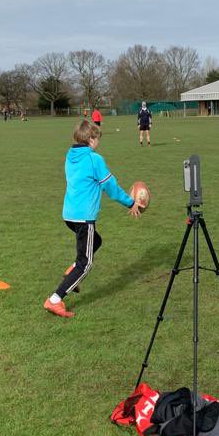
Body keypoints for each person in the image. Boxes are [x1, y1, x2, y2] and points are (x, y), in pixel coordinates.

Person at [44, 118, 141, 319]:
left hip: (69, 215)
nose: (98, 142)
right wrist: (130, 203)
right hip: (83, 217)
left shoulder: (70, 156)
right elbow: (111, 187)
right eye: (97, 138)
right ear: (91, 139)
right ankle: (54, 300)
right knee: (86, 263)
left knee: (96, 241)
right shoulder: (94, 159)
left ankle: (72, 269)